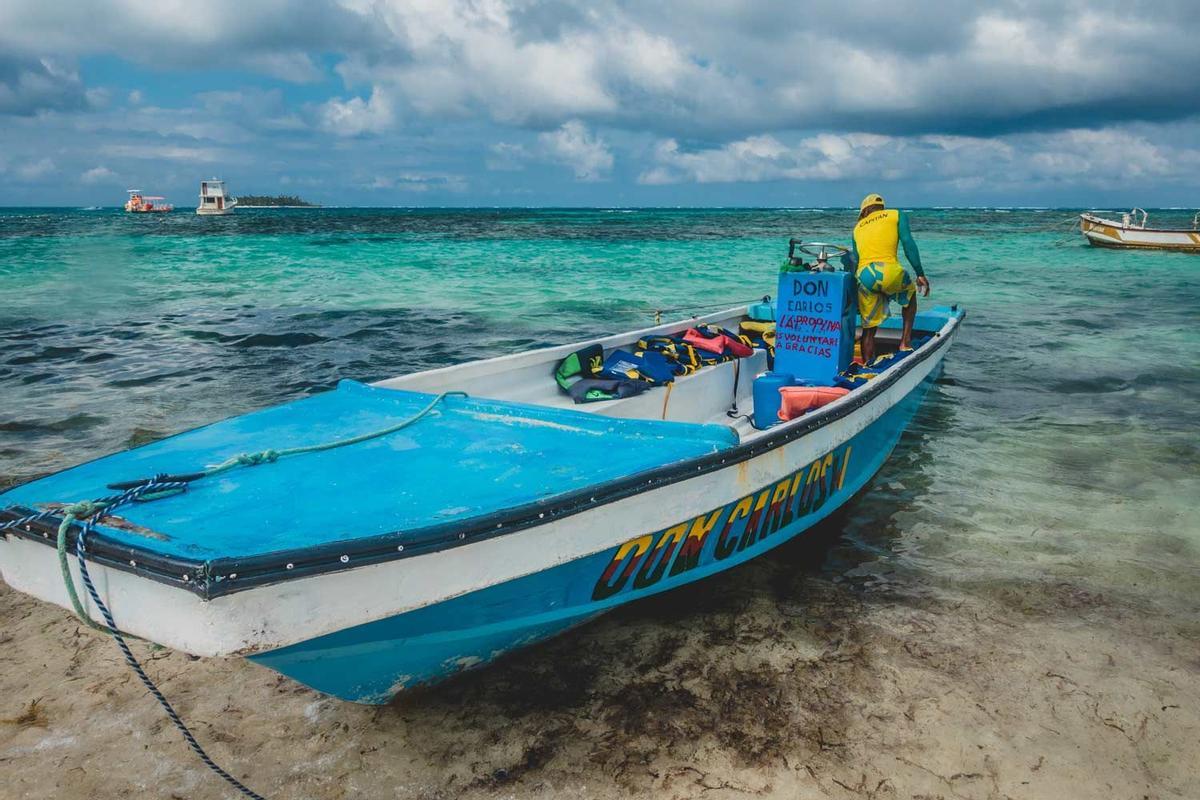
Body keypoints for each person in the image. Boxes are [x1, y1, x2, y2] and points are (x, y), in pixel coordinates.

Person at [841, 193, 930, 363]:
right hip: (888, 271)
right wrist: (919, 273)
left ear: (864, 211)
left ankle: (867, 365)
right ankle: (904, 342)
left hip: (865, 276)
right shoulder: (896, 214)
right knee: (910, 297)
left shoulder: (857, 228)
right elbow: (908, 243)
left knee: (869, 328)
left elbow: (857, 261)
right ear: (881, 207)